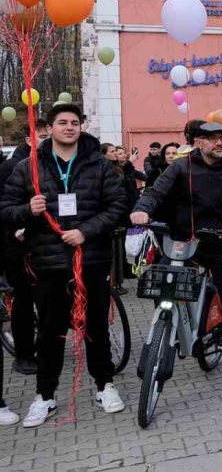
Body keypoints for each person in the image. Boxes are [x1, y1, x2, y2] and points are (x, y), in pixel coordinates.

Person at [0, 104, 129, 426]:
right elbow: (5, 208)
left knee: (97, 328)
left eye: (75, 122)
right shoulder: (30, 167)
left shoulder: (98, 165)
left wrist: (86, 231)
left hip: (91, 260)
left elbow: (118, 205)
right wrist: (28, 209)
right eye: (62, 122)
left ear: (81, 127)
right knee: (49, 332)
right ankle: (45, 396)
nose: (69, 127)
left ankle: (104, 386)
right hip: (48, 263)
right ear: (51, 128)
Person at [130, 122, 222, 388]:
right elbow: (156, 191)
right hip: (186, 243)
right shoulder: (181, 166)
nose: (219, 143)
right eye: (212, 139)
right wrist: (142, 208)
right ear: (198, 142)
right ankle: (168, 330)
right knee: (161, 285)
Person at [0, 120, 49, 377]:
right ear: (30, 139)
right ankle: (24, 355)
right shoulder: (11, 168)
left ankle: (47, 344)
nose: (46, 140)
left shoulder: (50, 165)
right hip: (18, 246)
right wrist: (22, 219)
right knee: (24, 300)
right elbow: (5, 209)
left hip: (46, 244)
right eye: (42, 136)